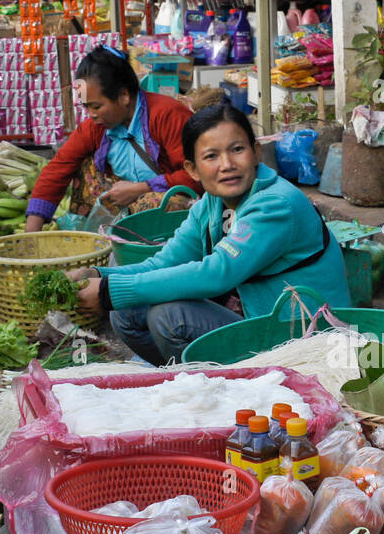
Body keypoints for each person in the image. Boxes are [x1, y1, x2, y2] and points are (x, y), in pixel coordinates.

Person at [68, 103, 353, 365]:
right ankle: (182, 376)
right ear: (192, 169)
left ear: (255, 152)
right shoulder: (212, 204)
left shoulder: (276, 204)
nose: (226, 164)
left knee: (170, 317)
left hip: (301, 334)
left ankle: (222, 386)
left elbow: (216, 273)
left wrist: (109, 292)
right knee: (125, 311)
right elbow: (166, 261)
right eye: (211, 156)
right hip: (258, 318)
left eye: (237, 150)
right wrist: (99, 277)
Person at [24, 45, 199, 232]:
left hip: (180, 200)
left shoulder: (168, 115)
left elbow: (198, 174)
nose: (90, 114)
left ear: (124, 96)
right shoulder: (95, 128)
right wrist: (31, 234)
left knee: (153, 202)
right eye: (86, 107)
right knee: (82, 166)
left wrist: (142, 188)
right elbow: (59, 168)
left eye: (96, 106)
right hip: (129, 196)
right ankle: (100, 239)